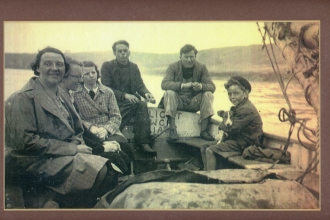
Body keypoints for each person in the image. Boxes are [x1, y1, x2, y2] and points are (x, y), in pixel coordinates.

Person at [4, 47, 118, 208]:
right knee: (101, 173)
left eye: (59, 64)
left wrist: (79, 144)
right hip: (31, 161)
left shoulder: (61, 94)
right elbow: (25, 143)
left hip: (56, 155)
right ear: (37, 68)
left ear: (64, 69)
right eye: (48, 64)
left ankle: (63, 204)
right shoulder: (23, 98)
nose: (54, 68)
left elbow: (76, 128)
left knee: (110, 172)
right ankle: (59, 204)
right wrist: (72, 149)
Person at [72, 61, 134, 173]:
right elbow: (76, 118)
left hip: (109, 131)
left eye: (93, 72)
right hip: (88, 133)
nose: (91, 75)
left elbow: (116, 116)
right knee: (107, 153)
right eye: (87, 74)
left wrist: (106, 130)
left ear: (97, 73)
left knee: (124, 146)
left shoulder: (108, 92)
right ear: (81, 76)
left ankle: (128, 174)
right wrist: (91, 128)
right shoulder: (75, 94)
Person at [101, 40, 156, 153]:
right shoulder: (107, 66)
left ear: (129, 52)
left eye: (125, 51)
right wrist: (124, 95)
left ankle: (143, 142)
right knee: (134, 103)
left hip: (131, 102)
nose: (123, 54)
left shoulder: (133, 67)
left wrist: (147, 94)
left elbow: (140, 84)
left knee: (141, 104)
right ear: (114, 53)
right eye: (119, 51)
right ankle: (113, 132)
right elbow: (106, 88)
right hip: (113, 101)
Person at [201, 76, 263, 171]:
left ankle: (211, 179)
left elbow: (231, 129)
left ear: (245, 94)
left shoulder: (246, 109)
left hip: (246, 144)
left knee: (210, 151)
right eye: (230, 94)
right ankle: (207, 172)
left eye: (236, 93)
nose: (232, 97)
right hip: (238, 141)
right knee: (204, 147)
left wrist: (221, 125)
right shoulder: (239, 107)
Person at [159, 44, 216, 141]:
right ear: (180, 56)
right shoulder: (173, 67)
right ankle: (173, 130)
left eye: (191, 57)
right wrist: (183, 85)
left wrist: (201, 86)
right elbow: (164, 84)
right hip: (178, 102)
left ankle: (204, 131)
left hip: (193, 102)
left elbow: (212, 87)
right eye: (186, 57)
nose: (189, 60)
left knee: (208, 94)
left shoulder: (201, 68)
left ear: (195, 57)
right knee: (169, 93)